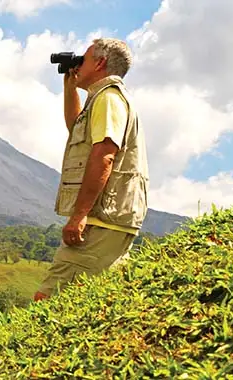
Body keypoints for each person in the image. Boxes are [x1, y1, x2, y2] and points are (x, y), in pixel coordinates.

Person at [34, 38, 149, 302]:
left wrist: (78, 216)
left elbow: (104, 155)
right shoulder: (103, 99)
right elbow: (77, 128)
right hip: (111, 220)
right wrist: (70, 87)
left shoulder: (108, 98)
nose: (78, 64)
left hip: (100, 220)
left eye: (83, 59)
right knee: (95, 299)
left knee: (47, 301)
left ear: (99, 63)